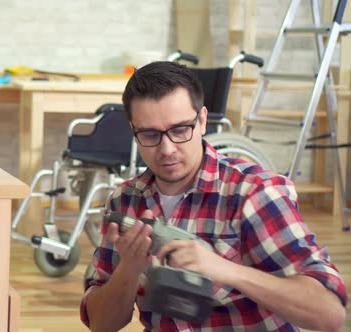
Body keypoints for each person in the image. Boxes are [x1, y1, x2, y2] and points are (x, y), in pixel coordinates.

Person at [79, 61, 347, 331]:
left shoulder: (254, 192)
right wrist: (129, 268)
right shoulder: (124, 201)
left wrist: (225, 269)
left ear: (203, 120)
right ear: (134, 132)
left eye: (180, 130)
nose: (167, 149)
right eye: (150, 134)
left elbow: (329, 314)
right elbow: (102, 324)